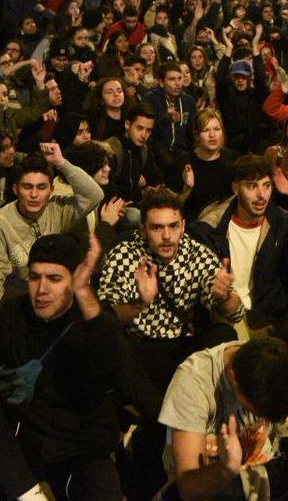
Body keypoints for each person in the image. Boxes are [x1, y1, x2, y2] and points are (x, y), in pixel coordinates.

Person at [0, 232, 156, 501]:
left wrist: (85, 292)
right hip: (24, 446)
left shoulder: (93, 321)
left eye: (55, 279)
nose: (42, 289)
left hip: (79, 448)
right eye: (35, 277)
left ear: (74, 280)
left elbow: (129, 378)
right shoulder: (12, 314)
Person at [98, 189, 242, 497]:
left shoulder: (197, 253)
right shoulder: (124, 254)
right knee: (109, 346)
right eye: (157, 227)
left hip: (183, 351)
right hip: (139, 348)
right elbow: (104, 322)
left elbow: (235, 313)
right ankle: (172, 426)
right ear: (143, 229)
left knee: (225, 337)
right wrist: (139, 303)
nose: (166, 236)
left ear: (183, 224)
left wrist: (224, 296)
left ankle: (172, 426)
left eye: (173, 226)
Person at [160, 336, 288, 500]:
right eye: (256, 410)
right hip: (215, 485)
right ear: (233, 377)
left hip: (264, 474)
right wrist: (225, 469)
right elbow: (188, 489)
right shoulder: (194, 382)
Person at [191, 155, 288, 340]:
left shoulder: (285, 226)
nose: (261, 195)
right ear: (235, 188)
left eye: (266, 185)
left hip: (268, 320)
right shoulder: (210, 226)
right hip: (224, 315)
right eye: (251, 186)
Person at [0, 146, 103, 308]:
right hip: (18, 309)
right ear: (16, 189)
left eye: (41, 187)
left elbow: (94, 195)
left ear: (51, 190)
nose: (34, 195)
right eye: (27, 187)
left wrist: (61, 163)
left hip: (56, 301)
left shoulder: (57, 208)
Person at [179, 108, 238, 220]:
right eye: (206, 130)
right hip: (193, 224)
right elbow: (170, 209)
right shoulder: (183, 163)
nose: (212, 135)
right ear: (196, 135)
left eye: (216, 129)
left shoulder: (234, 160)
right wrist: (187, 189)